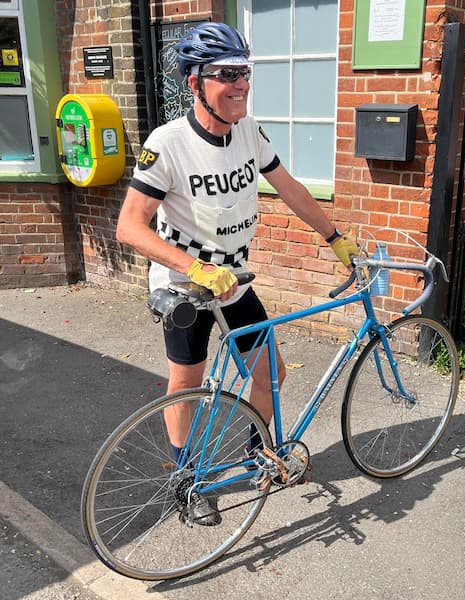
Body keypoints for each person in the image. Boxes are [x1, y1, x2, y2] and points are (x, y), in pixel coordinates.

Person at [116, 21, 358, 496]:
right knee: (188, 383)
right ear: (195, 83)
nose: (241, 83)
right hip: (186, 286)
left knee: (271, 373)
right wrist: (197, 267)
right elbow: (129, 227)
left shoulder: (248, 132)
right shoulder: (167, 144)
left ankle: (257, 455)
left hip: (235, 281)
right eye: (226, 74)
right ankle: (187, 478)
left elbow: (287, 187)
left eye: (244, 71)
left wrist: (334, 237)